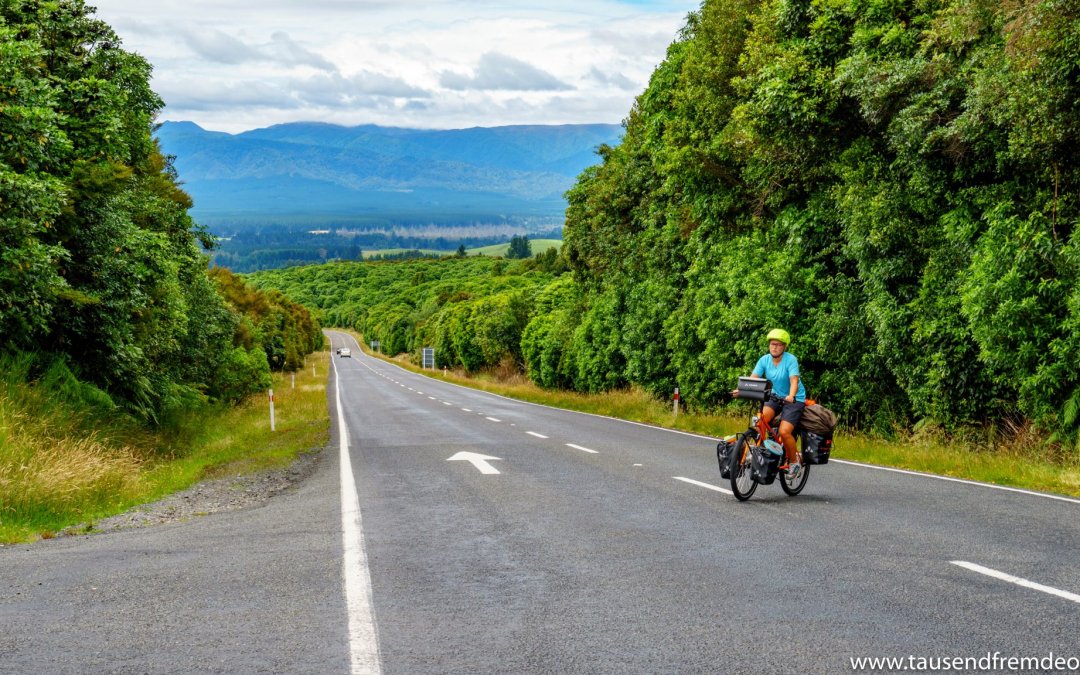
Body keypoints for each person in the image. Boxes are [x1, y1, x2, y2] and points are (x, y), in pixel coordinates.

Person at [736, 328, 807, 474]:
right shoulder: (764, 360)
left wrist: (791, 396)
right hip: (774, 397)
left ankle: (794, 462)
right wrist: (741, 390)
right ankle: (757, 452)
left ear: (784, 346)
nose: (774, 347)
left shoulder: (790, 360)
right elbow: (752, 379)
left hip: (793, 400)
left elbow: (794, 381)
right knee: (759, 422)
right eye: (772, 344)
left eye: (778, 344)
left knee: (784, 431)